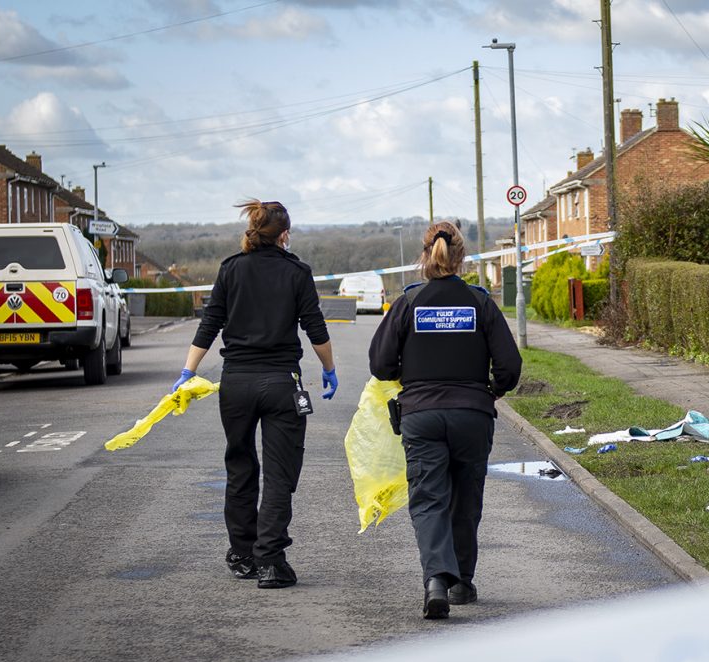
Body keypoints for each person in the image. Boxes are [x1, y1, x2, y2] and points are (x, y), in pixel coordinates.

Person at [171, 200, 338, 590]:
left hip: (237, 384)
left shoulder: (231, 269)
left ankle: (242, 554)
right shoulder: (297, 272)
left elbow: (210, 323)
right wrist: (329, 369)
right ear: (284, 235)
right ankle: (271, 561)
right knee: (280, 474)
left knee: (240, 466)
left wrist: (188, 371)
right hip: (281, 382)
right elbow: (315, 328)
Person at [369, 221, 521, 619]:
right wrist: (492, 388)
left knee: (429, 498)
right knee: (466, 498)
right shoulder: (481, 303)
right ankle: (463, 583)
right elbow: (510, 367)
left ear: (425, 255)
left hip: (420, 415)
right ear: (462, 258)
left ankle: (436, 580)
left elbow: (381, 364)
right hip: (472, 414)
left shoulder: (408, 304)